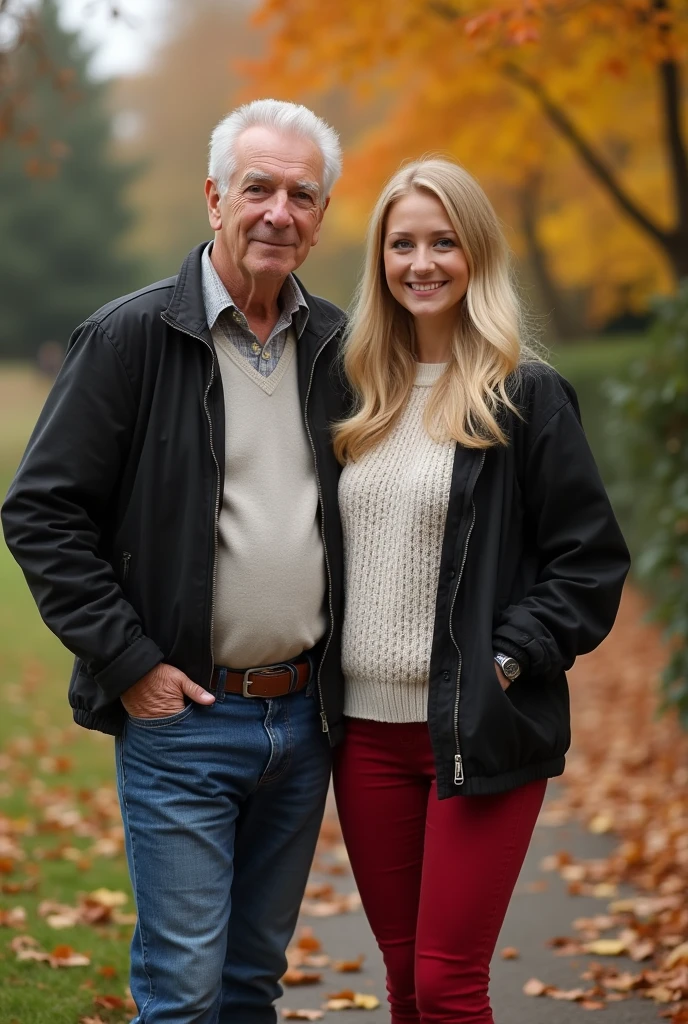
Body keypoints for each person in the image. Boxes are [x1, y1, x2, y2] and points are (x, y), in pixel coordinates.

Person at [2, 99, 348, 1024]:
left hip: (304, 722)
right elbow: (41, 511)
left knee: (250, 986)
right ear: (212, 198)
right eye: (258, 188)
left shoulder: (341, 348)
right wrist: (130, 663)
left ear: (320, 219)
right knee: (185, 993)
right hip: (185, 720)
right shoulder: (128, 338)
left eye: (301, 195)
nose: (279, 211)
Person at [332, 158, 631, 1024]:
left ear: (478, 255)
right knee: (403, 984)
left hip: (476, 725)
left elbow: (589, 561)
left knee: (449, 985)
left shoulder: (524, 395)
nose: (421, 263)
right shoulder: (356, 395)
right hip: (363, 737)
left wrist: (505, 658)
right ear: (381, 261)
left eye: (443, 242)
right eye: (402, 244)